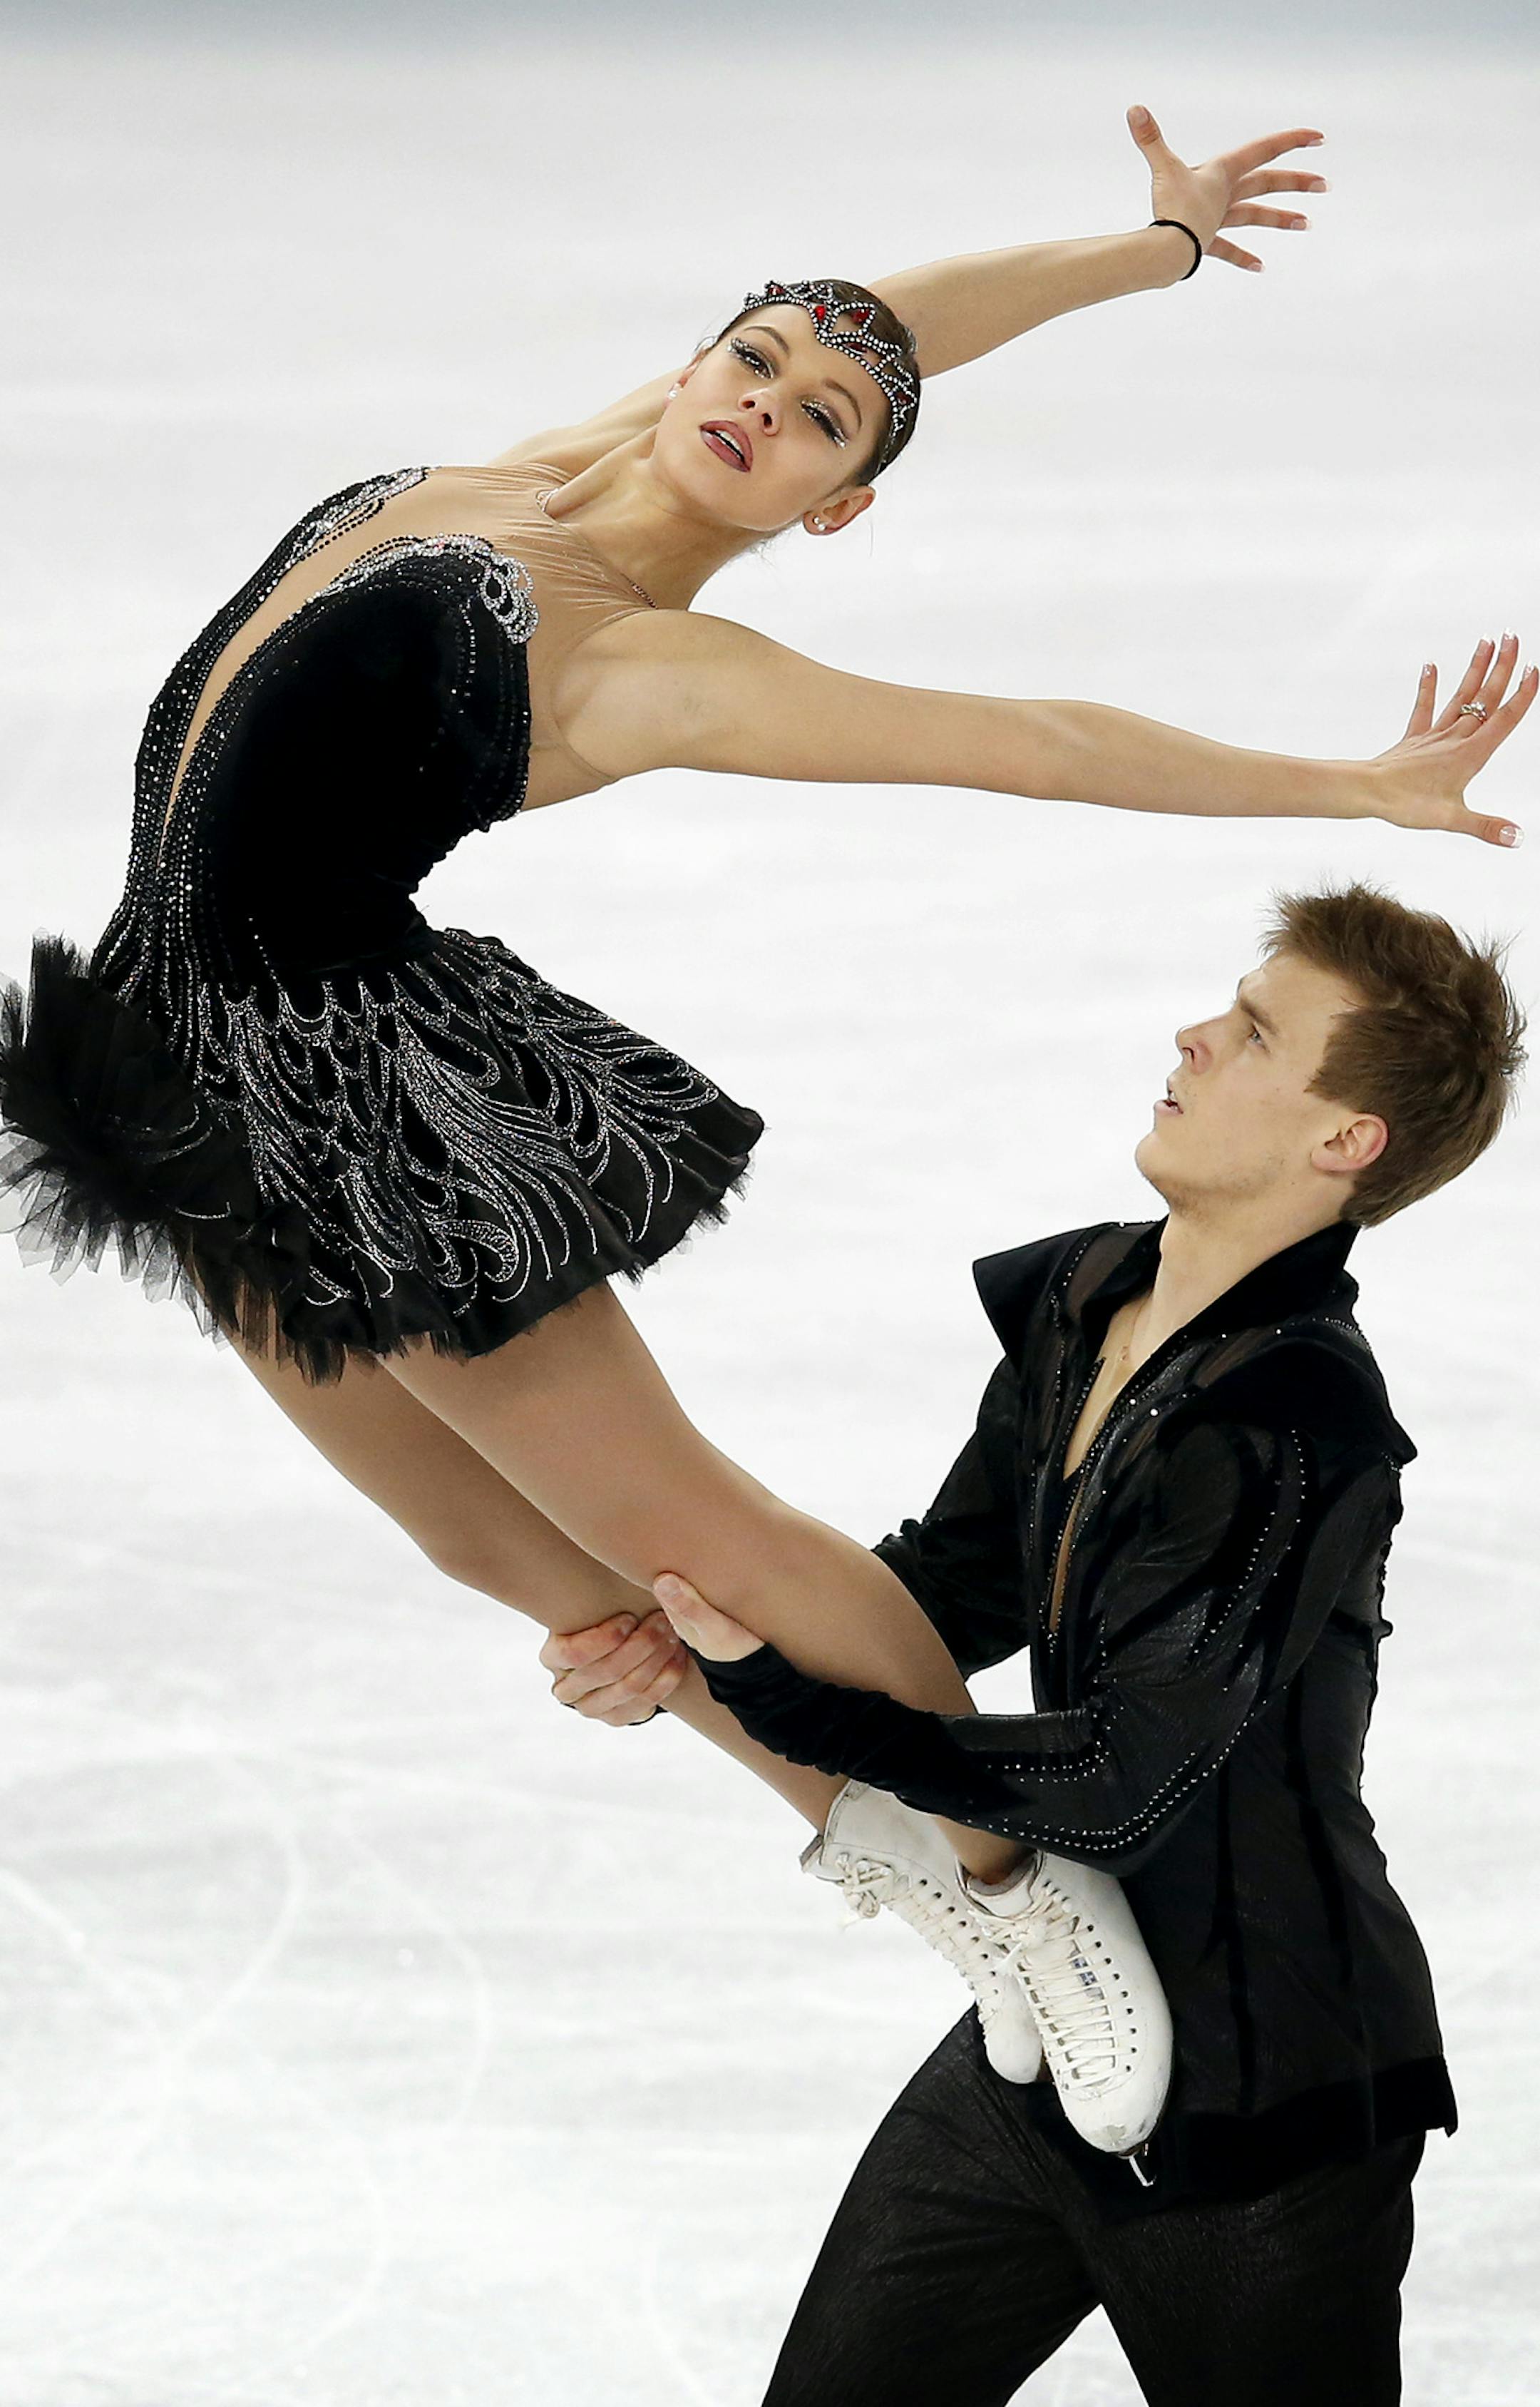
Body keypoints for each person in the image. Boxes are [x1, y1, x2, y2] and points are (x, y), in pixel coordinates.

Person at [0, 101, 1530, 1934]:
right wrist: (1162, 250)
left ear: (835, 505)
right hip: (178, 1065)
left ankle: (1015, 1895)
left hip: (351, 1093)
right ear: (693, 364)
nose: (769, 401)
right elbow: (880, 313)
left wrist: (1350, 786)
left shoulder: (641, 664)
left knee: (690, 1529)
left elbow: (1035, 747)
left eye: (820, 425)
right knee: (486, 1539)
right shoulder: (510, 481)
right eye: (754, 361)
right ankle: (874, 1837)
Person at [604, 881, 1523, 2403]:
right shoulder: (1092, 1296)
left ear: (1341, 1138)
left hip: (1263, 2114)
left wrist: (788, 1705)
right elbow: (952, 1587)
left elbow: (1119, 1780)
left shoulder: (1299, 1424)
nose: (1194, 1033)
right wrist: (696, 1655)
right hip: (1042, 2033)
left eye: (1253, 1033)